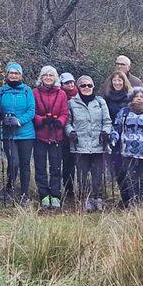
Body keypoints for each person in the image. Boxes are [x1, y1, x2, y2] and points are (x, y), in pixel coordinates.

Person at [110, 87, 143, 207]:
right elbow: (116, 128)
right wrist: (112, 140)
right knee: (130, 177)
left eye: (142, 97)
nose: (139, 99)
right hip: (128, 151)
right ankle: (131, 202)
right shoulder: (124, 112)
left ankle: (142, 201)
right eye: (136, 96)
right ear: (132, 98)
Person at [66, 75, 110, 212]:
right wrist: (70, 132)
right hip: (80, 145)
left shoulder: (100, 102)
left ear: (93, 87)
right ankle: (86, 199)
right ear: (78, 87)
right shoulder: (72, 103)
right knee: (82, 175)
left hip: (98, 144)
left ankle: (98, 199)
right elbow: (67, 122)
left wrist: (106, 132)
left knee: (98, 174)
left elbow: (107, 121)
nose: (86, 88)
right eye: (83, 85)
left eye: (89, 85)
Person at [0, 63, 35, 203]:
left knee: (25, 163)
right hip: (8, 133)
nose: (14, 75)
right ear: (7, 74)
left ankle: (24, 194)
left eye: (17, 73)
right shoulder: (1, 91)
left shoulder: (27, 91)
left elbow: (31, 110)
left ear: (21, 75)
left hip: (26, 133)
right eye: (11, 73)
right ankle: (10, 188)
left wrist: (19, 121)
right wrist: (3, 118)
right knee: (13, 162)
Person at [33, 65, 68, 209]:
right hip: (40, 135)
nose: (48, 78)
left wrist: (60, 122)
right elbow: (32, 111)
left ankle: (55, 194)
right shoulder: (34, 92)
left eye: (51, 75)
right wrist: (41, 120)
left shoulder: (61, 94)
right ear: (41, 78)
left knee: (55, 167)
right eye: (45, 75)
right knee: (40, 166)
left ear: (55, 78)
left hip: (56, 135)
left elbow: (65, 112)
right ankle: (43, 194)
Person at [57, 71, 77, 200]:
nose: (70, 85)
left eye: (71, 82)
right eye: (67, 83)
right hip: (61, 135)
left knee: (72, 163)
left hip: (76, 135)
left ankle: (72, 189)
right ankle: (64, 188)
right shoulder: (60, 95)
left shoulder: (78, 94)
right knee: (63, 163)